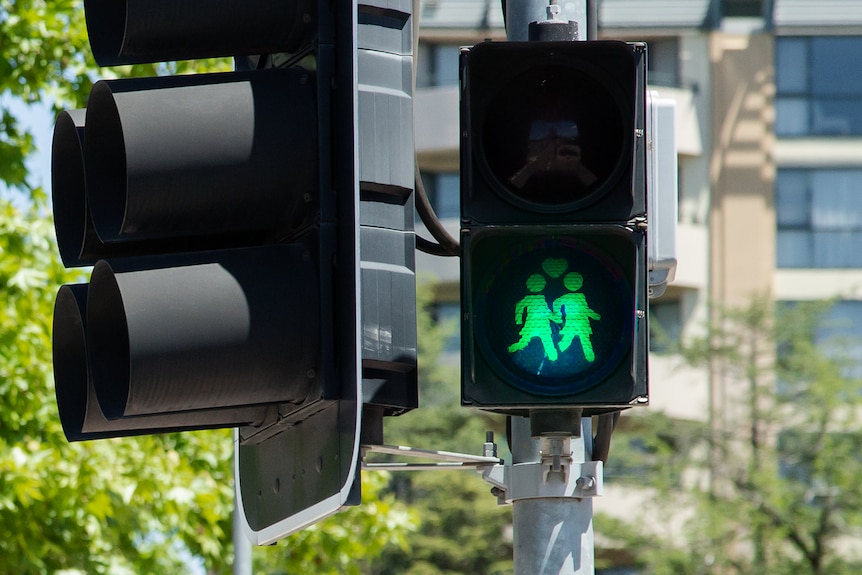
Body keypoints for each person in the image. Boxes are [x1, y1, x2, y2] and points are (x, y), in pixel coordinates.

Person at [551, 271, 601, 362]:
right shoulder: (571, 297)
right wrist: (557, 313)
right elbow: (585, 309)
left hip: (580, 322)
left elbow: (585, 309)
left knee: (583, 339)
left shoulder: (580, 296)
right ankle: (559, 351)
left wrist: (557, 313)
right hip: (575, 322)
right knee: (569, 339)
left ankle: (589, 356)